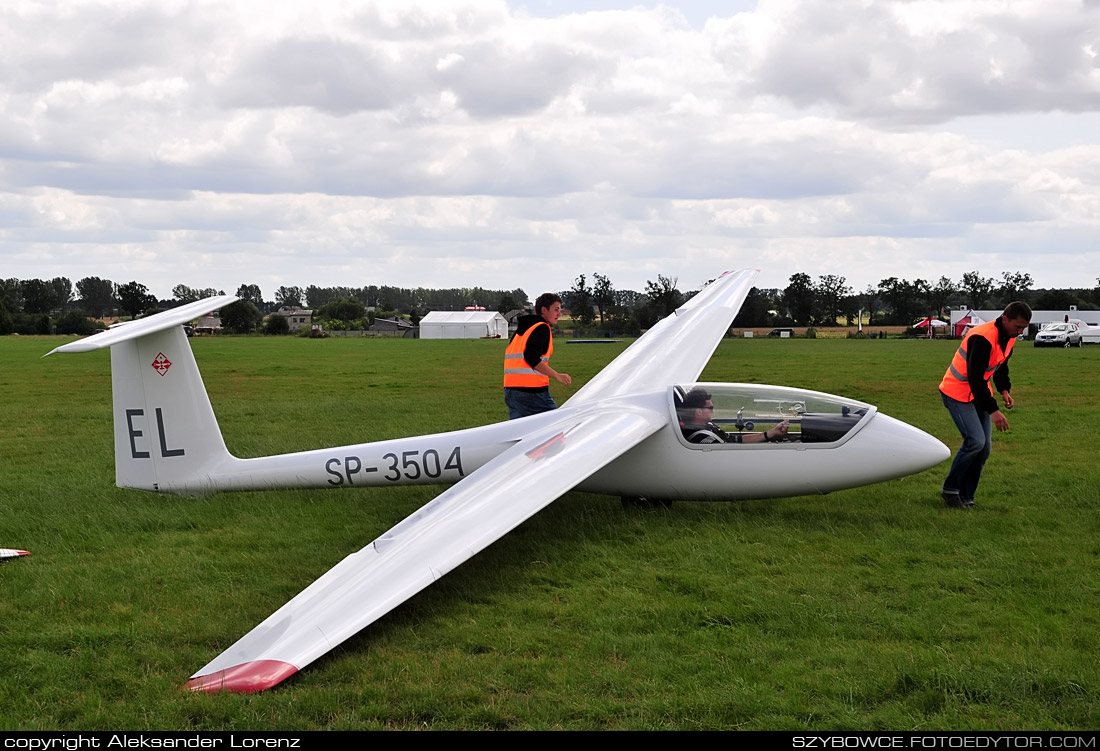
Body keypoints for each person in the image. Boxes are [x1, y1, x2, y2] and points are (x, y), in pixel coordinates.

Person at [938, 301, 1032, 509]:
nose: (1020, 332)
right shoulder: (982, 337)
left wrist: (1004, 389)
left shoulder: (1009, 337)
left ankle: (967, 497)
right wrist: (994, 411)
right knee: (975, 442)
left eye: (1024, 328)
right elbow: (976, 379)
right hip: (956, 393)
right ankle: (950, 490)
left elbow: (1000, 366)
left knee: (984, 448)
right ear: (1005, 319)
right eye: (1018, 327)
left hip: (977, 395)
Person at [503, 293, 572, 419]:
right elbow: (531, 357)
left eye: (560, 310)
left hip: (511, 392)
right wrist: (557, 376)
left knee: (521, 434)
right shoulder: (542, 328)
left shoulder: (523, 330)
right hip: (531, 392)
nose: (559, 314)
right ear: (544, 310)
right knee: (554, 427)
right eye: (556, 310)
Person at [678, 387, 789, 444]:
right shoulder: (701, 437)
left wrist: (772, 432)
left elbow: (736, 439)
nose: (713, 410)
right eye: (710, 408)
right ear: (699, 412)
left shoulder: (709, 426)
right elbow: (728, 453)